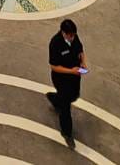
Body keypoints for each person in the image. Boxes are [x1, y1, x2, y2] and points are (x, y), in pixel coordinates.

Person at [46, 18, 87, 148]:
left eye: (73, 35)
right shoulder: (55, 43)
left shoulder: (74, 37)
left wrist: (83, 62)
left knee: (74, 96)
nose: (72, 38)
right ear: (63, 33)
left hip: (74, 77)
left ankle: (54, 98)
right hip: (62, 79)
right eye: (70, 35)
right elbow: (54, 66)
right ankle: (67, 132)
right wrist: (71, 71)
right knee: (65, 107)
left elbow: (80, 50)